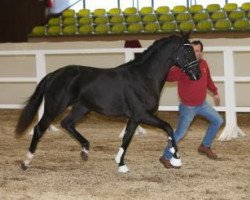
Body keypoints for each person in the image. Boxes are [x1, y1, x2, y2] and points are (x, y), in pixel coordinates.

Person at [159, 40, 224, 169]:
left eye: (197, 51)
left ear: (201, 52)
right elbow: (169, 77)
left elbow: (208, 80)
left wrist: (215, 92)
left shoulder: (204, 64)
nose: (195, 53)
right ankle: (165, 157)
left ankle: (204, 146)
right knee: (180, 134)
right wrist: (168, 66)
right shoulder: (183, 66)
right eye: (192, 51)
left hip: (202, 104)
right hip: (188, 107)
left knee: (218, 120)